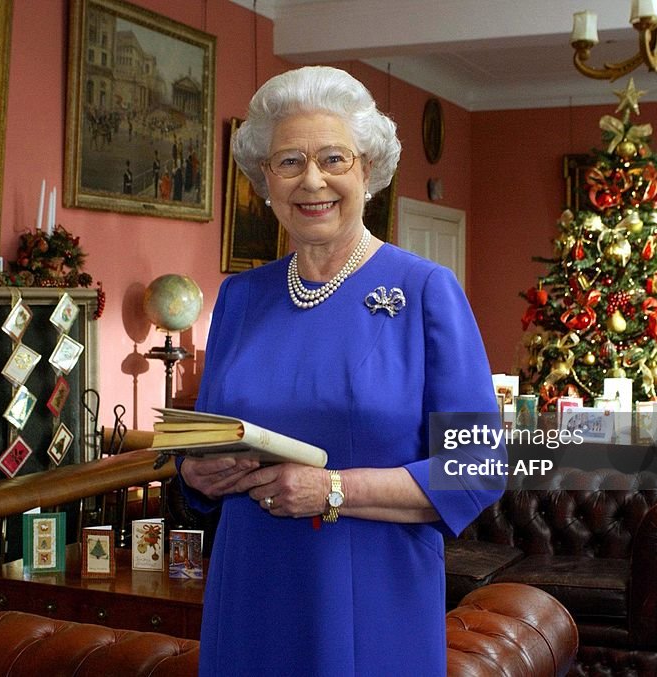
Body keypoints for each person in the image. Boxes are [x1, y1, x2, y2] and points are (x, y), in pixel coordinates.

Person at [177, 65, 504, 676]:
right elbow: (206, 435)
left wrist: (330, 490)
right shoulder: (240, 298)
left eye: (334, 159)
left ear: (369, 172)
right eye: (289, 161)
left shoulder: (426, 290)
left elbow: (476, 470)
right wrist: (197, 471)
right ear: (265, 181)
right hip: (249, 592)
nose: (312, 180)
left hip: (373, 599)